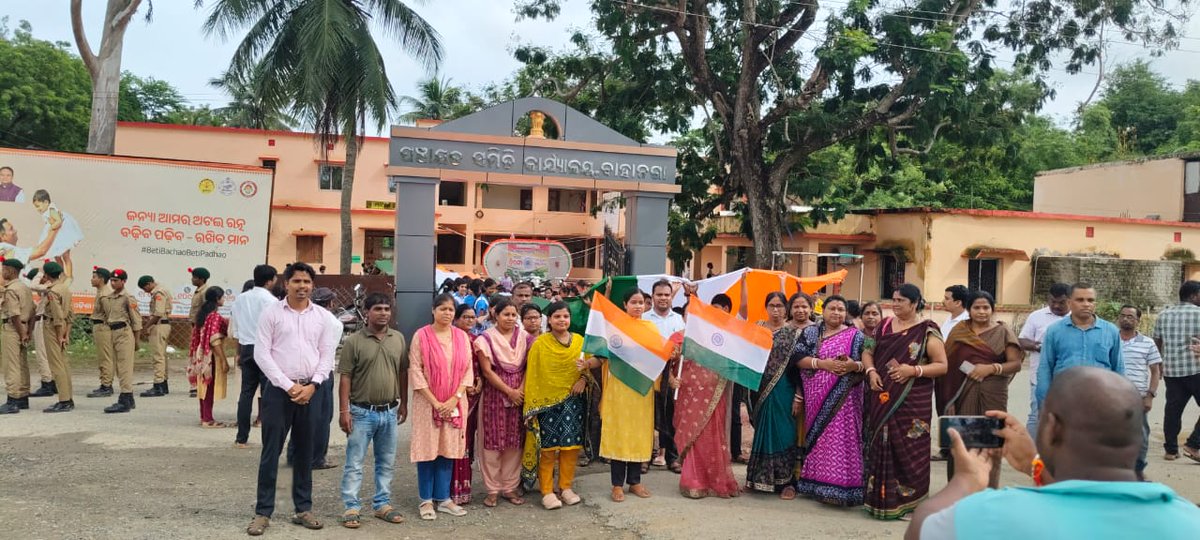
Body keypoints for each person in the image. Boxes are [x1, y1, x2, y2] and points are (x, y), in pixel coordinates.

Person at [906, 367, 1200, 540]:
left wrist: (966, 482)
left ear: (1051, 428)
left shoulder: (992, 515)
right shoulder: (1189, 521)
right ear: (1140, 436)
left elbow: (924, 529)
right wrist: (1036, 466)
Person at [247, 262, 338, 536]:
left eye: (307, 281)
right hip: (278, 391)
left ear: (313, 285)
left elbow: (327, 356)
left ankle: (303, 509)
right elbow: (261, 355)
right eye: (296, 281)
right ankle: (263, 512)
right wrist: (288, 386)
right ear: (286, 284)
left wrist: (313, 385)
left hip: (312, 390)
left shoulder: (322, 317)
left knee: (304, 451)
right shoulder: (271, 314)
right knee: (271, 451)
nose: (302, 286)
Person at [862, 283, 949, 520]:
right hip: (881, 394)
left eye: (900, 300)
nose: (895, 304)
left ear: (914, 302)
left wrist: (914, 370)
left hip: (912, 400)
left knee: (910, 449)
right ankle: (878, 500)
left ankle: (911, 505)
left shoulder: (927, 330)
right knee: (881, 442)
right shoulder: (884, 325)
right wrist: (871, 372)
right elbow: (867, 351)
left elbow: (942, 365)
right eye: (893, 299)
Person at [337, 293, 408, 529]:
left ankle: (382, 504)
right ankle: (351, 506)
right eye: (378, 308)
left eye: (387, 308)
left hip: (389, 411)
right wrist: (344, 411)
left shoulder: (398, 338)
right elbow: (345, 377)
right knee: (355, 462)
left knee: (386, 462)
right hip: (360, 412)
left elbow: (403, 372)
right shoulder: (354, 342)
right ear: (367, 312)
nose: (384, 313)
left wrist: (404, 403)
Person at [581, 289, 659, 502]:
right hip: (619, 388)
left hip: (641, 389)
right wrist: (587, 363)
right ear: (625, 304)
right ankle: (617, 484)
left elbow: (657, 357)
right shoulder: (614, 328)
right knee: (619, 432)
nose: (637, 306)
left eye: (641, 302)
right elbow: (601, 357)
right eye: (633, 302)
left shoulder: (651, 328)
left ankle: (635, 482)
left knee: (638, 432)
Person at [941, 291, 1022, 487]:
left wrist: (991, 368)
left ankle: (988, 489)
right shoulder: (959, 331)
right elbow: (949, 366)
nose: (982, 312)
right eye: (977, 307)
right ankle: (959, 488)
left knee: (989, 441)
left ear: (992, 309)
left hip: (993, 392)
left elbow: (1016, 364)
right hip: (961, 392)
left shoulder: (1003, 332)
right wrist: (950, 401)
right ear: (969, 310)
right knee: (962, 441)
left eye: (986, 307)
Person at [794, 295, 867, 506]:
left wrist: (854, 366)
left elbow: (865, 363)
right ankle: (815, 484)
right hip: (816, 394)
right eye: (832, 308)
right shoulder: (811, 332)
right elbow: (797, 359)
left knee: (842, 437)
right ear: (822, 311)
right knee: (820, 437)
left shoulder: (856, 336)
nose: (836, 313)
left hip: (846, 396)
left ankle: (844, 487)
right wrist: (823, 364)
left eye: (841, 309)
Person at [408, 293, 474, 521]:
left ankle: (444, 498)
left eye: (451, 310)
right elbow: (415, 370)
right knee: (427, 451)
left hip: (455, 403)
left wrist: (454, 399)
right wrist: (436, 402)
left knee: (448, 449)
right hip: (427, 403)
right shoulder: (421, 336)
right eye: (443, 309)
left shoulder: (461, 337)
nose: (447, 313)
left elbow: (468, 371)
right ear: (433, 310)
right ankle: (426, 500)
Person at [746, 292, 815, 498]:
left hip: (785, 389)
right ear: (766, 307)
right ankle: (759, 477)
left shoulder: (794, 333)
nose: (776, 310)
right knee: (762, 432)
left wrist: (799, 395)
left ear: (786, 309)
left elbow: (800, 369)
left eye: (780, 306)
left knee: (785, 432)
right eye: (772, 305)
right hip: (758, 389)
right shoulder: (757, 327)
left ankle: (787, 481)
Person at [522, 301, 589, 509]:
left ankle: (566, 487)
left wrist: (583, 379)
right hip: (546, 404)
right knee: (548, 449)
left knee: (571, 447)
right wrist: (531, 406)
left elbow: (588, 365)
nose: (562, 320)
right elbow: (532, 374)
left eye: (565, 316)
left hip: (573, 401)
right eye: (557, 316)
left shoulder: (579, 341)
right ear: (549, 320)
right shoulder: (540, 344)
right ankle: (547, 491)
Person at [674, 294, 740, 499]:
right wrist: (670, 378)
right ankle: (693, 480)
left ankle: (715, 479)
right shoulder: (677, 337)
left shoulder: (715, 340)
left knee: (712, 434)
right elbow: (666, 366)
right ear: (683, 316)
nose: (692, 317)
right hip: (686, 393)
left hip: (713, 394)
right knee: (691, 435)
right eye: (688, 314)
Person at [474, 298, 530, 508]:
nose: (510, 318)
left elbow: (527, 367)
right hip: (494, 397)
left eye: (514, 315)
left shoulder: (526, 338)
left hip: (519, 397)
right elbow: (487, 371)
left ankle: (509, 487)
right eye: (506, 314)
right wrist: (509, 391)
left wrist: (520, 391)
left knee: (514, 443)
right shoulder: (485, 339)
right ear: (495, 315)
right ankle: (492, 489)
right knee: (492, 444)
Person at [1034, 283, 1123, 409]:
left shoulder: (1111, 331)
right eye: (1080, 300)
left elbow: (1118, 368)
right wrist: (1044, 403)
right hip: (1064, 400)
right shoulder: (1054, 331)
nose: (1086, 304)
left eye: (1090, 300)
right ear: (1070, 303)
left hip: (1101, 401)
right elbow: (1045, 368)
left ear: (1095, 304)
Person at [287, 287, 341, 470]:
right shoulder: (333, 322)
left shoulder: (300, 318)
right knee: (322, 417)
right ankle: (317, 457)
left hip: (300, 373)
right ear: (331, 304)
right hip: (322, 374)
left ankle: (294, 453)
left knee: (300, 415)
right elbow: (328, 352)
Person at [230, 264, 278, 449]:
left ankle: (241, 438)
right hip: (266, 349)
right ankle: (268, 439)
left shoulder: (240, 299)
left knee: (246, 393)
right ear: (269, 280)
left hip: (247, 348)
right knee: (268, 394)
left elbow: (236, 329)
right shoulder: (271, 301)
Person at [1153, 280, 1200, 463]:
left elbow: (1156, 341)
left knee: (1173, 411)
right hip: (1196, 369)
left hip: (1172, 371)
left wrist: (1160, 363)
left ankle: (1171, 451)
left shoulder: (1163, 314)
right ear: (1194, 295)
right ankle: (1193, 444)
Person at [644, 279, 686, 472]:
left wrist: (677, 353)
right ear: (652, 297)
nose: (663, 298)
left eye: (666, 295)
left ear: (671, 297)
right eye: (659, 295)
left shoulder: (678, 320)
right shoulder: (644, 319)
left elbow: (681, 346)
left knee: (670, 415)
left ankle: (672, 458)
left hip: (670, 374)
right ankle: (643, 457)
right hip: (648, 373)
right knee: (646, 416)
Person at [1117, 305, 1162, 480]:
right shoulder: (1111, 339)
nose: (1125, 319)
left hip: (1138, 397)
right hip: (1112, 396)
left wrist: (1150, 396)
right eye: (1123, 316)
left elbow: (1155, 371)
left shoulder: (1148, 343)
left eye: (1130, 316)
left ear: (1138, 321)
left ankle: (1138, 470)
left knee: (1141, 436)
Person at [1018, 283, 1070, 434]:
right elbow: (1022, 340)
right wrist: (1039, 347)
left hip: (1069, 379)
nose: (1056, 305)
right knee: (1037, 415)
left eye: (1061, 302)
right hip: (1040, 378)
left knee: (1067, 418)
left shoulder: (1076, 318)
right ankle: (1033, 455)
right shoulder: (1036, 316)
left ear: (1070, 300)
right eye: (1052, 301)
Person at [449, 302, 484, 505]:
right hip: (456, 396)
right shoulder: (451, 339)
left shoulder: (476, 339)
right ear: (457, 319)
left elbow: (480, 366)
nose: (470, 321)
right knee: (454, 440)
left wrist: (479, 383)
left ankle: (463, 489)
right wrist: (465, 386)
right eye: (466, 317)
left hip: (474, 397)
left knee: (467, 441)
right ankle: (448, 489)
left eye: (472, 317)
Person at [932, 285, 971, 460]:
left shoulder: (967, 322)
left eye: (947, 298)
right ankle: (947, 449)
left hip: (959, 374)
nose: (943, 301)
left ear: (958, 302)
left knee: (956, 409)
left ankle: (957, 450)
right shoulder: (948, 320)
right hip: (943, 373)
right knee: (944, 408)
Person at [96, 269, 142, 414]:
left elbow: (136, 321)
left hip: (124, 332)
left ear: (123, 281)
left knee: (124, 367)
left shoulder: (128, 298)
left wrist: (137, 341)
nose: (113, 283)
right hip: (113, 332)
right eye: (112, 280)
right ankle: (129, 398)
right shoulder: (109, 297)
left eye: (116, 280)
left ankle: (125, 399)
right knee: (118, 366)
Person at [189, 287, 230, 427]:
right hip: (209, 356)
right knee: (209, 386)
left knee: (203, 387)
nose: (224, 300)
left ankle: (204, 416)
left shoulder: (202, 315)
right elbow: (214, 341)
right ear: (218, 299)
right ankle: (208, 419)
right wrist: (224, 360)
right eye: (223, 297)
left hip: (199, 355)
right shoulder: (214, 317)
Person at [39, 262, 74, 413]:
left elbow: (58, 315)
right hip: (62, 327)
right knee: (63, 364)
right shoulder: (65, 288)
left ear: (47, 275)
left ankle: (64, 400)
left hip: (53, 328)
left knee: (56, 365)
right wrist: (67, 332)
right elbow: (71, 314)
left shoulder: (52, 291)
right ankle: (68, 397)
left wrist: (60, 335)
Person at [0, 258, 33, 414]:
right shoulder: (25, 288)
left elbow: (14, 314)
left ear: (11, 271)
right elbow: (32, 312)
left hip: (13, 328)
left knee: (11, 364)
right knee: (21, 363)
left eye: (4, 269)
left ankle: (12, 399)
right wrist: (28, 332)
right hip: (24, 327)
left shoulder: (11, 289)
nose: (2, 272)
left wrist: (21, 333)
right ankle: (23, 397)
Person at [138, 275, 174, 397]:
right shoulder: (161, 290)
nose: (145, 291)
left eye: (145, 288)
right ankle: (163, 384)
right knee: (162, 356)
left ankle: (158, 385)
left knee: (158, 356)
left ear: (149, 284)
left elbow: (158, 313)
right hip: (163, 325)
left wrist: (146, 326)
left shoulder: (158, 292)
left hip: (159, 325)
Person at [31, 189, 83, 273]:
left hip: (62, 234)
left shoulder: (51, 210)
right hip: (56, 236)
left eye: (38, 206)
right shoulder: (46, 212)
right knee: (57, 256)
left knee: (65, 256)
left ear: (46, 202)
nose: (37, 209)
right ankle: (61, 275)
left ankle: (69, 275)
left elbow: (59, 221)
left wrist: (51, 228)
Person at [25, 267, 56, 399]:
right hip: (42, 321)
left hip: (43, 322)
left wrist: (40, 273)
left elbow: (33, 285)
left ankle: (47, 383)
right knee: (47, 354)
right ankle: (52, 382)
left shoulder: (49, 286)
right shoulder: (47, 289)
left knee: (42, 353)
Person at [85, 267, 115, 398]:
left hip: (103, 327)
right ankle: (105, 383)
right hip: (100, 326)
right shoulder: (101, 292)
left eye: (94, 277)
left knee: (105, 357)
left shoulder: (104, 294)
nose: (92, 279)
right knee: (103, 356)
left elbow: (111, 314)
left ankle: (106, 385)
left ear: (101, 279)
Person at [189, 267, 213, 398]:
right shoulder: (198, 291)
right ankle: (196, 383)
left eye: (194, 277)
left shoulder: (204, 292)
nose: (192, 279)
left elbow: (206, 311)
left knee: (200, 355)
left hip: (201, 328)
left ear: (201, 279)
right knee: (195, 355)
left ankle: (200, 383)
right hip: (196, 327)